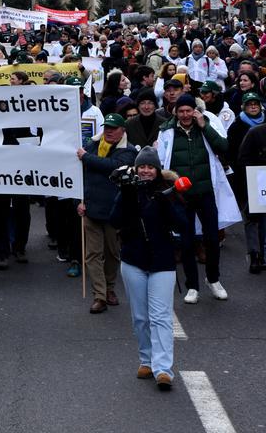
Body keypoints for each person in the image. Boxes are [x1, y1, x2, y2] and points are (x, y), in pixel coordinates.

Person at [110, 147, 189, 390]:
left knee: (161, 316)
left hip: (162, 262)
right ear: (136, 168)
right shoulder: (128, 189)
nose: (145, 170)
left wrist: (166, 202)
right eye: (141, 166)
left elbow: (183, 223)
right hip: (133, 261)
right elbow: (114, 220)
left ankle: (163, 368)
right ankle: (146, 360)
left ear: (157, 170)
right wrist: (125, 193)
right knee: (141, 317)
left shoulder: (169, 191)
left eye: (150, 167)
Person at [157, 94, 240, 304]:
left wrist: (204, 126)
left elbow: (223, 147)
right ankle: (192, 286)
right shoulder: (166, 131)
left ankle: (214, 279)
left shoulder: (206, 126)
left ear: (195, 111)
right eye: (181, 111)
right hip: (181, 197)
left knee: (212, 238)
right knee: (186, 242)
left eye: (189, 110)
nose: (185, 115)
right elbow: (161, 163)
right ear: (175, 112)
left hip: (206, 193)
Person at [76, 112, 136, 313]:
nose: (109, 131)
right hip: (91, 208)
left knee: (112, 253)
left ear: (122, 131)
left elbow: (114, 167)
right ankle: (100, 295)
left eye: (113, 128)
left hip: (113, 211)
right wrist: (80, 200)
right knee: (93, 254)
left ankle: (110, 288)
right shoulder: (93, 146)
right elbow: (79, 175)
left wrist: (86, 157)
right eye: (106, 128)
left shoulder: (127, 151)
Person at [228, 92, 266, 273]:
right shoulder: (252, 131)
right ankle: (255, 255)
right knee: (253, 218)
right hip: (255, 180)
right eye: (249, 104)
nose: (253, 107)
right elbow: (241, 158)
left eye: (256, 104)